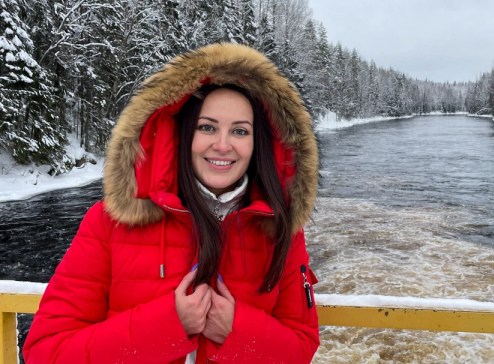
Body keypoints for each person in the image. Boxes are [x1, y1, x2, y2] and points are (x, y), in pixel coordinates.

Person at [23, 43, 320, 363]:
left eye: (239, 131)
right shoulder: (109, 223)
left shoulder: (281, 231)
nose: (223, 145)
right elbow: (46, 351)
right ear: (182, 134)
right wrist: (167, 327)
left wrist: (237, 332)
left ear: (257, 143)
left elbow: (300, 348)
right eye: (207, 127)